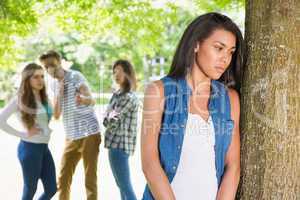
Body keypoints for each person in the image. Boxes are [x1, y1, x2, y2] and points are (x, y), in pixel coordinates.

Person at [141, 12, 244, 200]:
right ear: (196, 44)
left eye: (230, 51)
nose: (225, 59)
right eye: (218, 48)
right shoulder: (159, 92)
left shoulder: (230, 99)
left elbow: (233, 166)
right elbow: (149, 163)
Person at [39, 50, 101, 200]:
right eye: (46, 67)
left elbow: (91, 100)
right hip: (71, 136)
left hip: (89, 134)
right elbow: (56, 115)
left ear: (60, 62)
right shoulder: (53, 84)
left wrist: (83, 99)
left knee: (90, 178)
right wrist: (60, 90)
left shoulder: (75, 76)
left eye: (52, 65)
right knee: (63, 177)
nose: (50, 70)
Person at [0, 63, 57, 200]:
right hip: (30, 148)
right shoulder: (20, 99)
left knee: (52, 188)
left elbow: (47, 119)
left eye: (42, 76)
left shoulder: (44, 98)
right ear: (27, 79)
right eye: (36, 77)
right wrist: (23, 134)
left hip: (44, 148)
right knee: (30, 188)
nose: (40, 80)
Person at [103, 59, 139, 200]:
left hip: (120, 146)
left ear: (128, 73)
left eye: (120, 71)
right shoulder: (118, 95)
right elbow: (108, 118)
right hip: (114, 145)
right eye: (114, 71)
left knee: (125, 186)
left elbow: (110, 121)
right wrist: (108, 115)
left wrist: (108, 115)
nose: (116, 74)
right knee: (121, 185)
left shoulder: (128, 97)